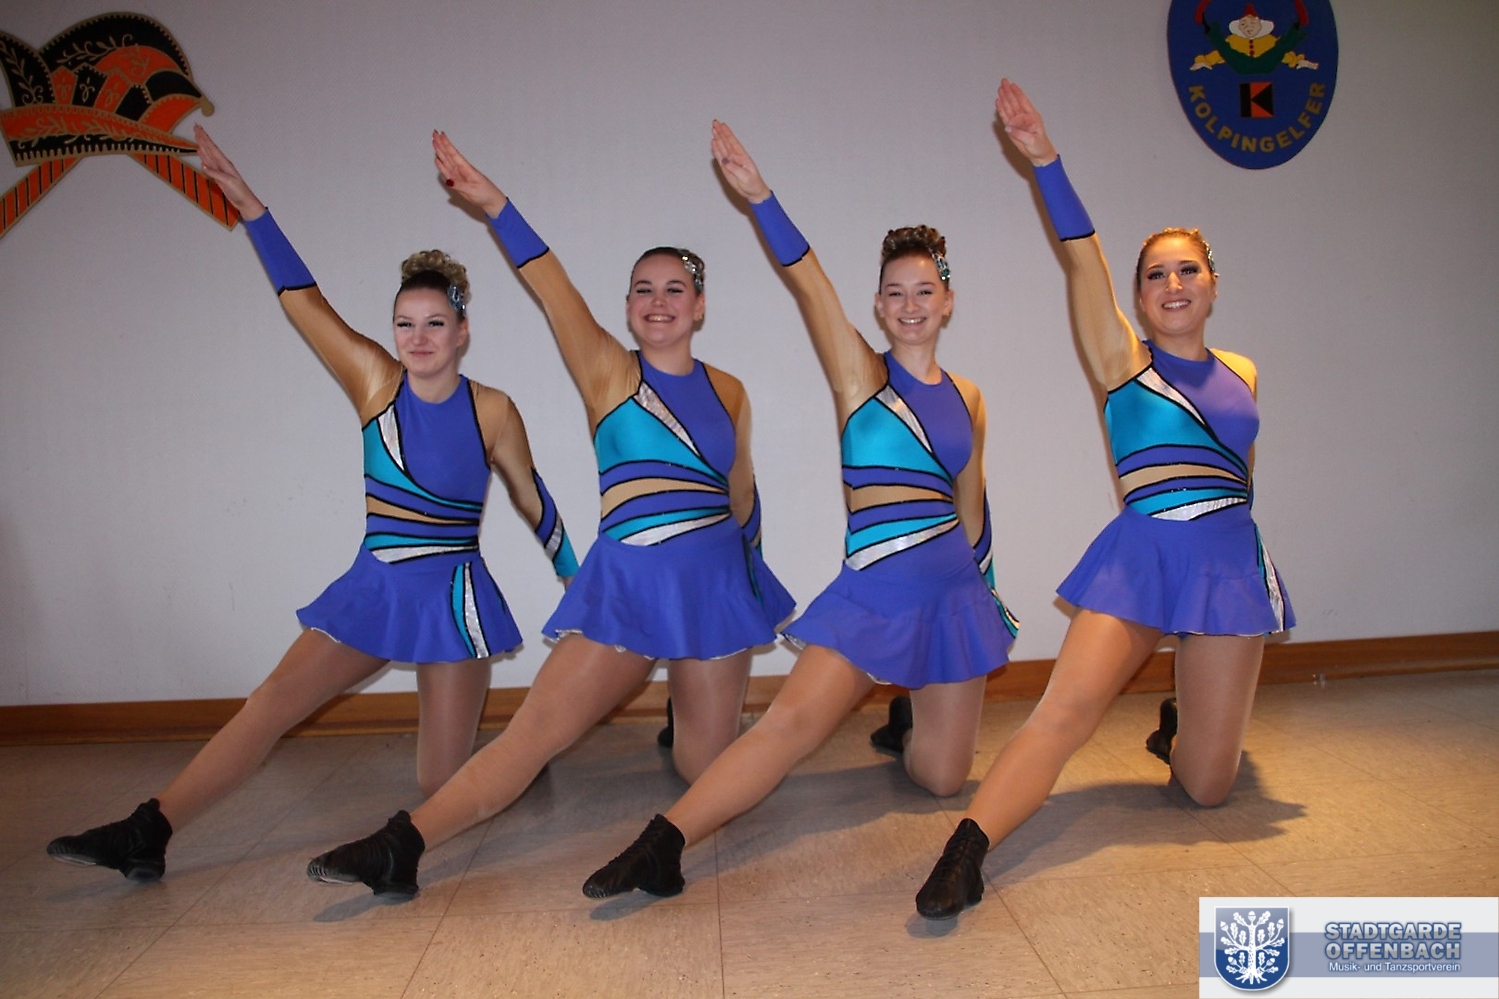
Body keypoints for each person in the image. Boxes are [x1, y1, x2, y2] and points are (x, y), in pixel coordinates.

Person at [45, 126, 578, 883]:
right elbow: (304, 301)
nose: (419, 337)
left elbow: (531, 497)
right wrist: (249, 206)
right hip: (376, 585)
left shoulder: (492, 408)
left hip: (452, 599)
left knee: (438, 780)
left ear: (462, 331)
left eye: (435, 323)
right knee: (270, 703)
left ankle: (519, 764)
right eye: (405, 323)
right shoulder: (374, 381)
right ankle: (148, 830)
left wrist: (578, 580)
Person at [301, 132, 794, 898]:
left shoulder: (729, 388)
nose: (657, 301)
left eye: (673, 289)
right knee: (534, 733)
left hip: (714, 588)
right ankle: (402, 846)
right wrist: (493, 204)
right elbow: (548, 281)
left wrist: (753, 577)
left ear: (699, 306)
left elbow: (740, 490)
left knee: (704, 767)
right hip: (627, 586)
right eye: (642, 289)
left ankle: (688, 731)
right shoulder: (607, 369)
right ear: (626, 308)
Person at [581, 121, 1018, 900]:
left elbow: (972, 504)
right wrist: (760, 198)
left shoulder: (971, 397)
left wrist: (986, 594)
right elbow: (808, 282)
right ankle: (663, 842)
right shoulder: (859, 376)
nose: (909, 305)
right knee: (786, 729)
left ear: (947, 301)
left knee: (943, 777)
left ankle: (906, 723)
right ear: (877, 306)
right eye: (894, 293)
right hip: (872, 592)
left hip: (952, 593)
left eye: (924, 291)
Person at [912, 79, 1294, 920]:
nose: (1171, 282)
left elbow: (1238, 469)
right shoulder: (1123, 362)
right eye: (1155, 273)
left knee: (1207, 785)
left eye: (1186, 269)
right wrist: (1044, 160)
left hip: (1226, 565)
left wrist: (1241, 566)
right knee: (1063, 713)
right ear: (1140, 293)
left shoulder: (1243, 369)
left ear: (1212, 282)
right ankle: (967, 849)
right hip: (1143, 555)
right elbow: (1082, 255)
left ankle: (1178, 723)